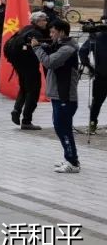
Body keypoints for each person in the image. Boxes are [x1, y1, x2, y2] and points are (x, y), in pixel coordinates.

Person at [32, 20, 81, 173]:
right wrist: (43, 45)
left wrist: (37, 48)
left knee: (63, 128)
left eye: (53, 32)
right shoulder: (60, 45)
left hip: (65, 96)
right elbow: (51, 50)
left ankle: (72, 162)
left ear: (61, 32)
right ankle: (70, 157)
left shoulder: (67, 49)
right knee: (60, 127)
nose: (51, 35)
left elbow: (49, 62)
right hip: (58, 95)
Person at [9, 11, 49, 130]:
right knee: (33, 92)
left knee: (24, 88)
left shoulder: (26, 28)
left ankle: (17, 109)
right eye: (43, 20)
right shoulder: (36, 33)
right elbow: (39, 50)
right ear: (37, 21)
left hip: (20, 65)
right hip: (30, 66)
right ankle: (26, 120)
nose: (46, 22)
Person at [78, 17, 107, 134]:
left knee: (97, 102)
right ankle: (92, 124)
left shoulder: (95, 36)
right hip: (101, 74)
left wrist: (90, 67)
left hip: (101, 73)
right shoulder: (95, 36)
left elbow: (82, 52)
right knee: (97, 101)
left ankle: (92, 124)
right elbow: (83, 51)